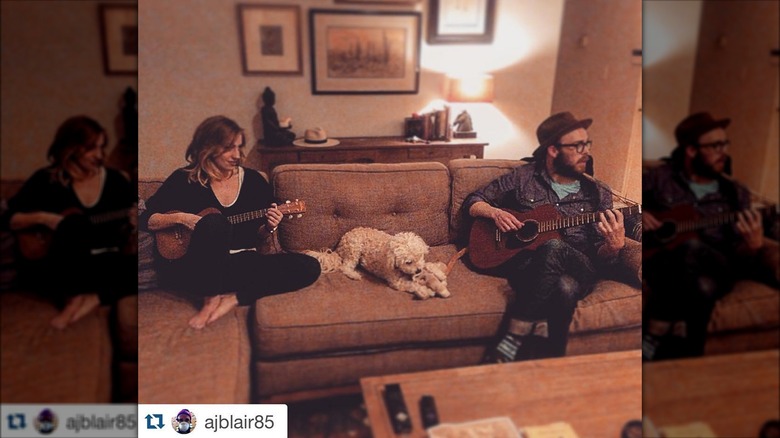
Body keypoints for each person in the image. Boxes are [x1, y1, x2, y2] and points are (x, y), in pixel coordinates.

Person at [463, 112, 627, 362]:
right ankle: (550, 363)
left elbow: (600, 256)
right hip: (528, 265)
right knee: (564, 288)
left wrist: (613, 246)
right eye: (577, 145)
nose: (586, 152)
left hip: (581, 264)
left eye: (587, 144)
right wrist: (494, 212)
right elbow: (473, 201)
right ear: (553, 150)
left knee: (553, 246)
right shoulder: (523, 177)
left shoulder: (598, 192)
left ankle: (512, 336)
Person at [139, 115, 320, 329]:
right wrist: (183, 218)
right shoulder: (184, 179)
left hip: (236, 264)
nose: (236, 155)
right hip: (195, 267)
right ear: (208, 147)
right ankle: (210, 299)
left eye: (239, 147)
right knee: (215, 223)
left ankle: (235, 298)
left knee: (309, 267)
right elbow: (144, 219)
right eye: (228, 148)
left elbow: (258, 236)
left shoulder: (253, 181)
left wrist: (269, 227)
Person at [642, 112, 772, 361]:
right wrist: (641, 213)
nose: (723, 151)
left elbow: (739, 255)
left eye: (725, 144)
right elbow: (627, 207)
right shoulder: (659, 178)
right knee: (701, 287)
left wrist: (754, 245)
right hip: (665, 263)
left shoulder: (735, 194)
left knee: (692, 246)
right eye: (715, 145)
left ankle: (655, 330)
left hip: (718, 266)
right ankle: (689, 359)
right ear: (691, 150)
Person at [0, 116, 137, 329]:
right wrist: (45, 219)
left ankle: (94, 297)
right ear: (71, 148)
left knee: (143, 267)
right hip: (58, 265)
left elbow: (127, 235)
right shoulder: (47, 180)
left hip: (102, 261)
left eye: (102, 148)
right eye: (92, 149)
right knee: (72, 226)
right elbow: (9, 218)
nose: (100, 156)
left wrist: (135, 223)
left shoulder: (116, 181)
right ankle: (76, 297)